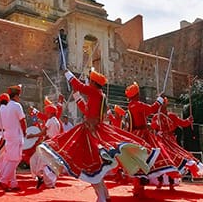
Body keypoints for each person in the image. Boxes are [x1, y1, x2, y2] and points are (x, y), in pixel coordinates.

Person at [36, 70, 159, 202]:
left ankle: (102, 197)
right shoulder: (99, 95)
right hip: (94, 130)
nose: (88, 82)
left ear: (94, 83)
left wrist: (68, 74)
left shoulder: (95, 93)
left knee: (90, 167)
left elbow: (79, 86)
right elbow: (86, 110)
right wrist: (77, 97)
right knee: (92, 167)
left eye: (90, 80)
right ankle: (104, 195)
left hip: (89, 132)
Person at [124, 82, 179, 197]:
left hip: (135, 134)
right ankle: (140, 188)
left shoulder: (131, 105)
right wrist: (159, 98)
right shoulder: (137, 105)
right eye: (138, 93)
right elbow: (152, 109)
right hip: (142, 135)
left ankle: (138, 188)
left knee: (138, 161)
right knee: (148, 159)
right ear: (136, 95)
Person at [150, 97, 203, 187]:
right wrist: (155, 124)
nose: (162, 105)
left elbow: (182, 123)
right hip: (160, 141)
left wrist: (188, 120)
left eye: (164, 103)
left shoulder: (171, 116)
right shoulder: (156, 116)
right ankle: (160, 181)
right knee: (160, 160)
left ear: (166, 104)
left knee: (174, 159)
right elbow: (152, 127)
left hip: (170, 141)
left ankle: (172, 182)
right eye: (161, 104)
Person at [0, 85, 27, 192]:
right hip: (15, 135)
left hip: (7, 135)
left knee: (9, 159)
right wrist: (25, 131)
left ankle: (13, 183)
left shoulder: (6, 107)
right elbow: (22, 121)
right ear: (16, 96)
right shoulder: (17, 105)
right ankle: (4, 180)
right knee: (15, 159)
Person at [28, 104, 61, 189]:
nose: (46, 114)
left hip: (48, 144)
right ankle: (44, 180)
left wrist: (32, 136)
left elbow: (43, 133)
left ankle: (47, 181)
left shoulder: (50, 121)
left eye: (47, 112)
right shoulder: (57, 121)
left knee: (41, 163)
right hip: (52, 144)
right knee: (42, 162)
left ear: (51, 112)